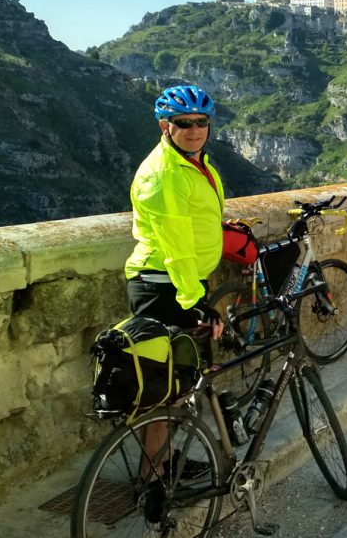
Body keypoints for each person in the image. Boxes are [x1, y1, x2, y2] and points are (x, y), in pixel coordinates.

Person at [124, 84, 225, 520]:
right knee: (160, 390)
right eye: (184, 123)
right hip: (164, 285)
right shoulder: (162, 173)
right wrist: (196, 302)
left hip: (181, 282)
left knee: (179, 384)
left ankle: (168, 466)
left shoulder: (194, 163)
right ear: (165, 126)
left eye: (202, 122)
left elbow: (200, 219)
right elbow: (176, 247)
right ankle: (151, 483)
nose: (195, 130)